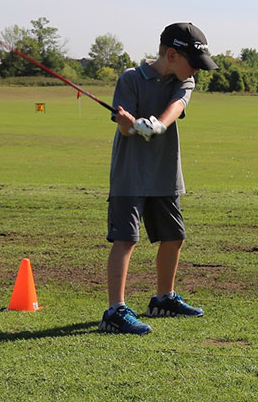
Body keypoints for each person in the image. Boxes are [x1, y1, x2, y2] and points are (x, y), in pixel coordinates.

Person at [99, 22, 218, 334]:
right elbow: (124, 128)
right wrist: (128, 123)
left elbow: (176, 107)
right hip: (130, 175)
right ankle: (115, 310)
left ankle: (163, 299)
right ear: (171, 54)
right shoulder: (130, 79)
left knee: (174, 236)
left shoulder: (185, 81)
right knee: (126, 239)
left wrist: (157, 125)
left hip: (165, 174)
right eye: (193, 63)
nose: (195, 72)